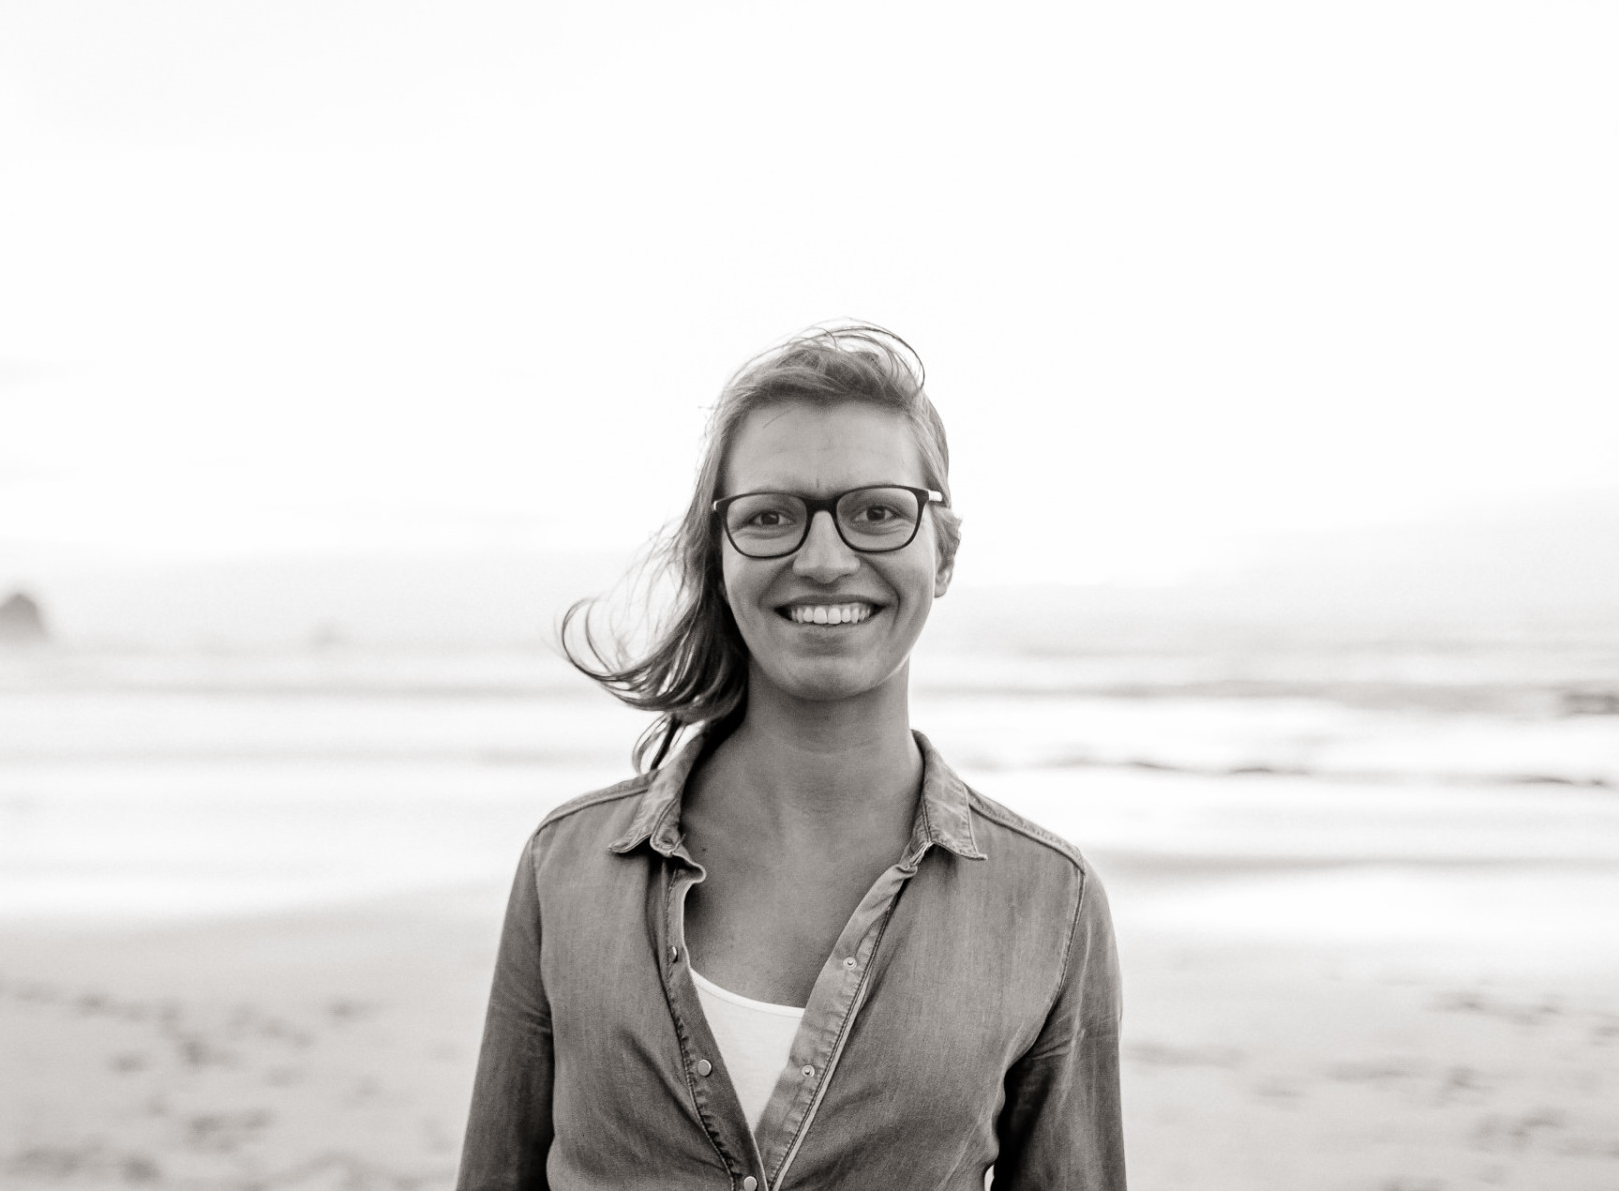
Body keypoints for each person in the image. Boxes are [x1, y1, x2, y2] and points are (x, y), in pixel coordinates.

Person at [457, 323, 1124, 1190]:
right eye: (769, 517)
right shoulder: (568, 868)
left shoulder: (1048, 903)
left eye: (878, 512)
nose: (822, 560)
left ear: (943, 552)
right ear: (719, 553)